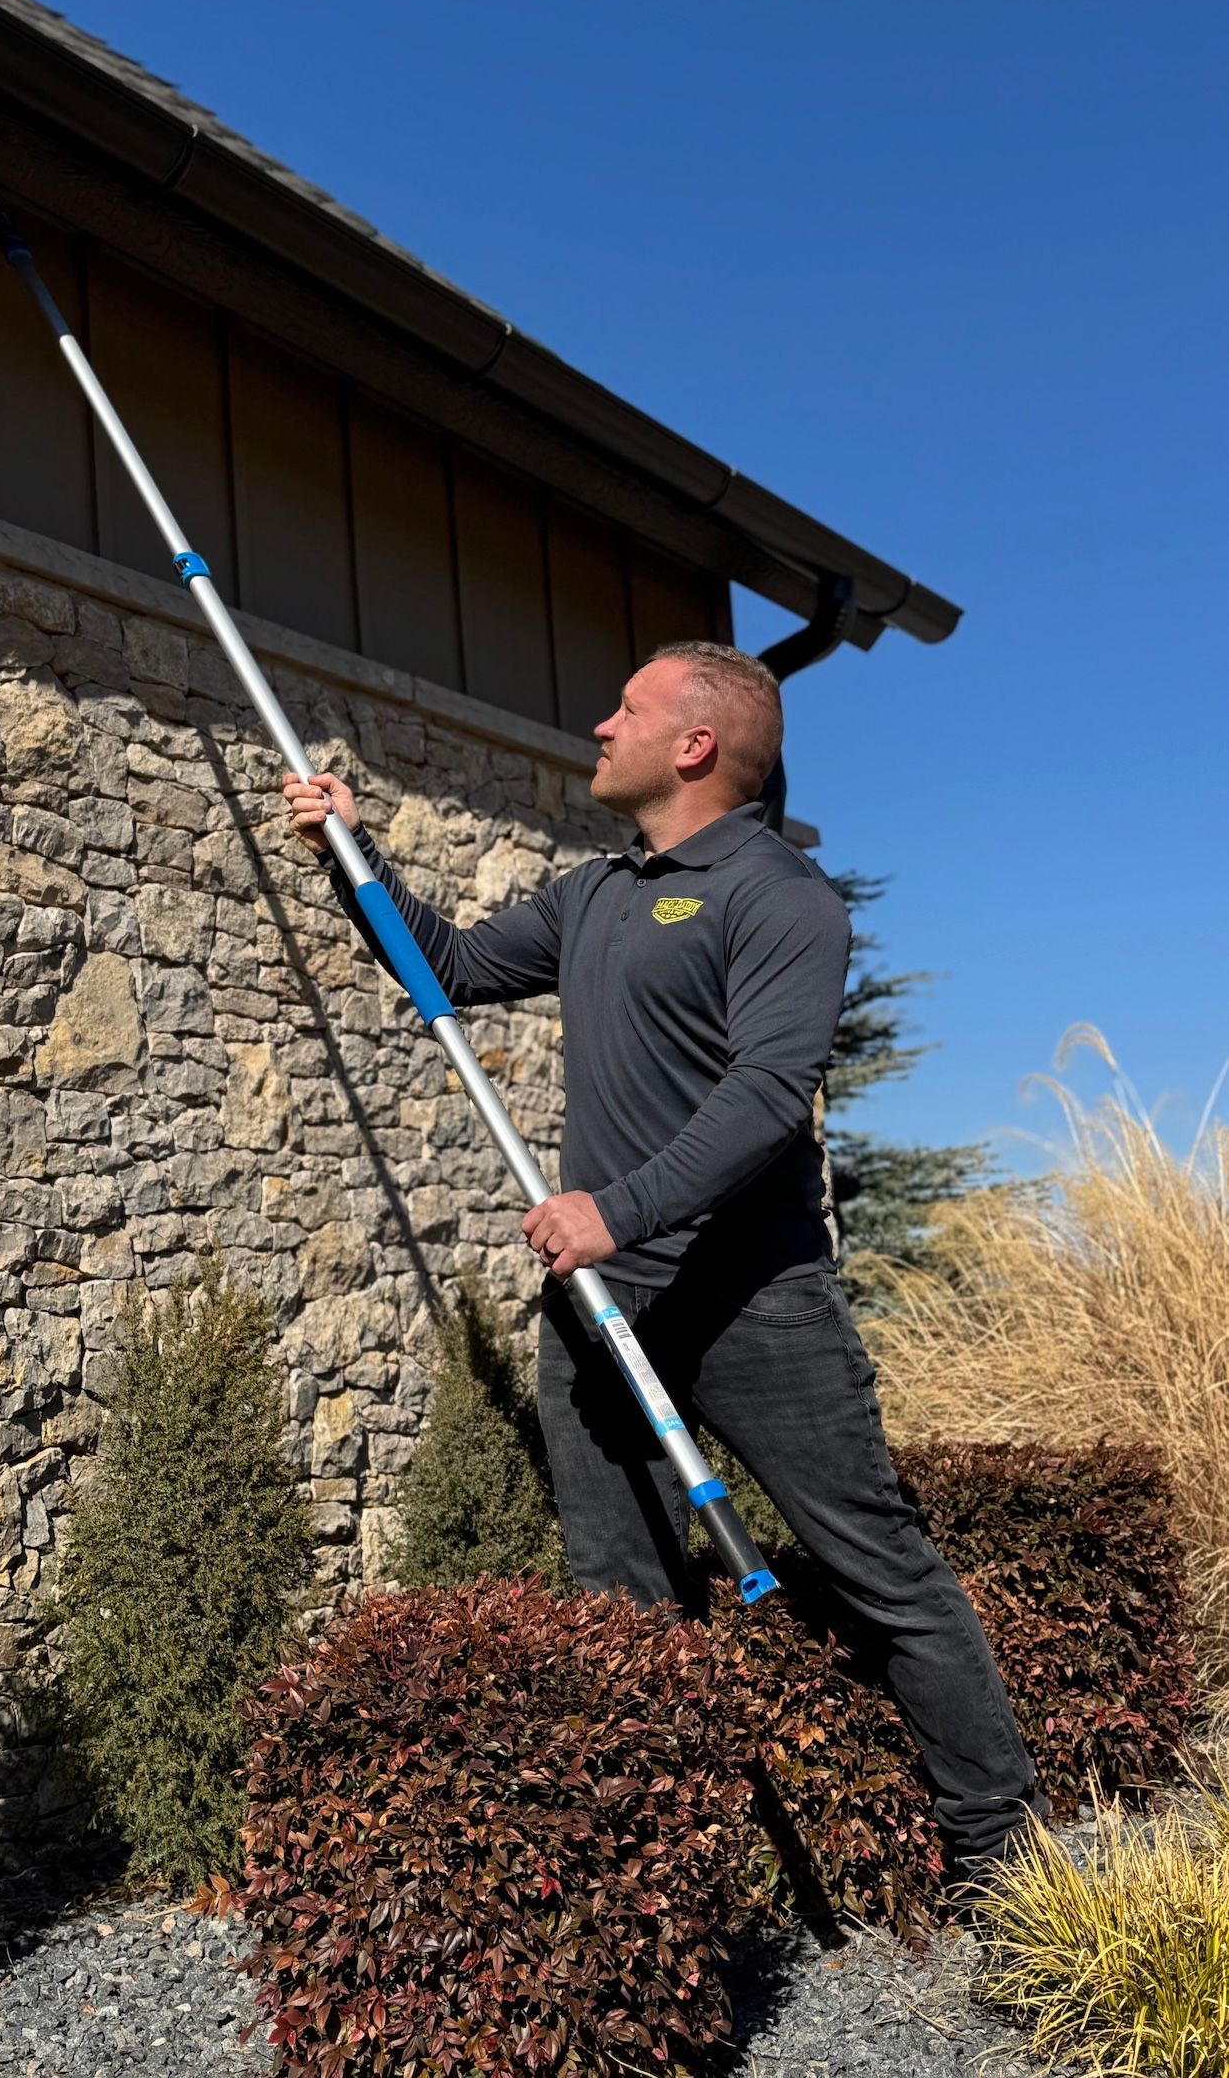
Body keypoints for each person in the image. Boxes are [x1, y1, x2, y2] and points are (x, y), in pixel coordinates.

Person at [282, 638, 1040, 1890]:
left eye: (625, 707)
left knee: (880, 1568)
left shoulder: (779, 897)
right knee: (621, 1601)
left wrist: (616, 1209)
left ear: (696, 745)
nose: (598, 723)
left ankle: (999, 1848)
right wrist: (352, 857)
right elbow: (454, 969)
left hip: (756, 1302)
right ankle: (667, 1877)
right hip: (604, 1297)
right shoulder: (595, 894)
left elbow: (766, 1097)